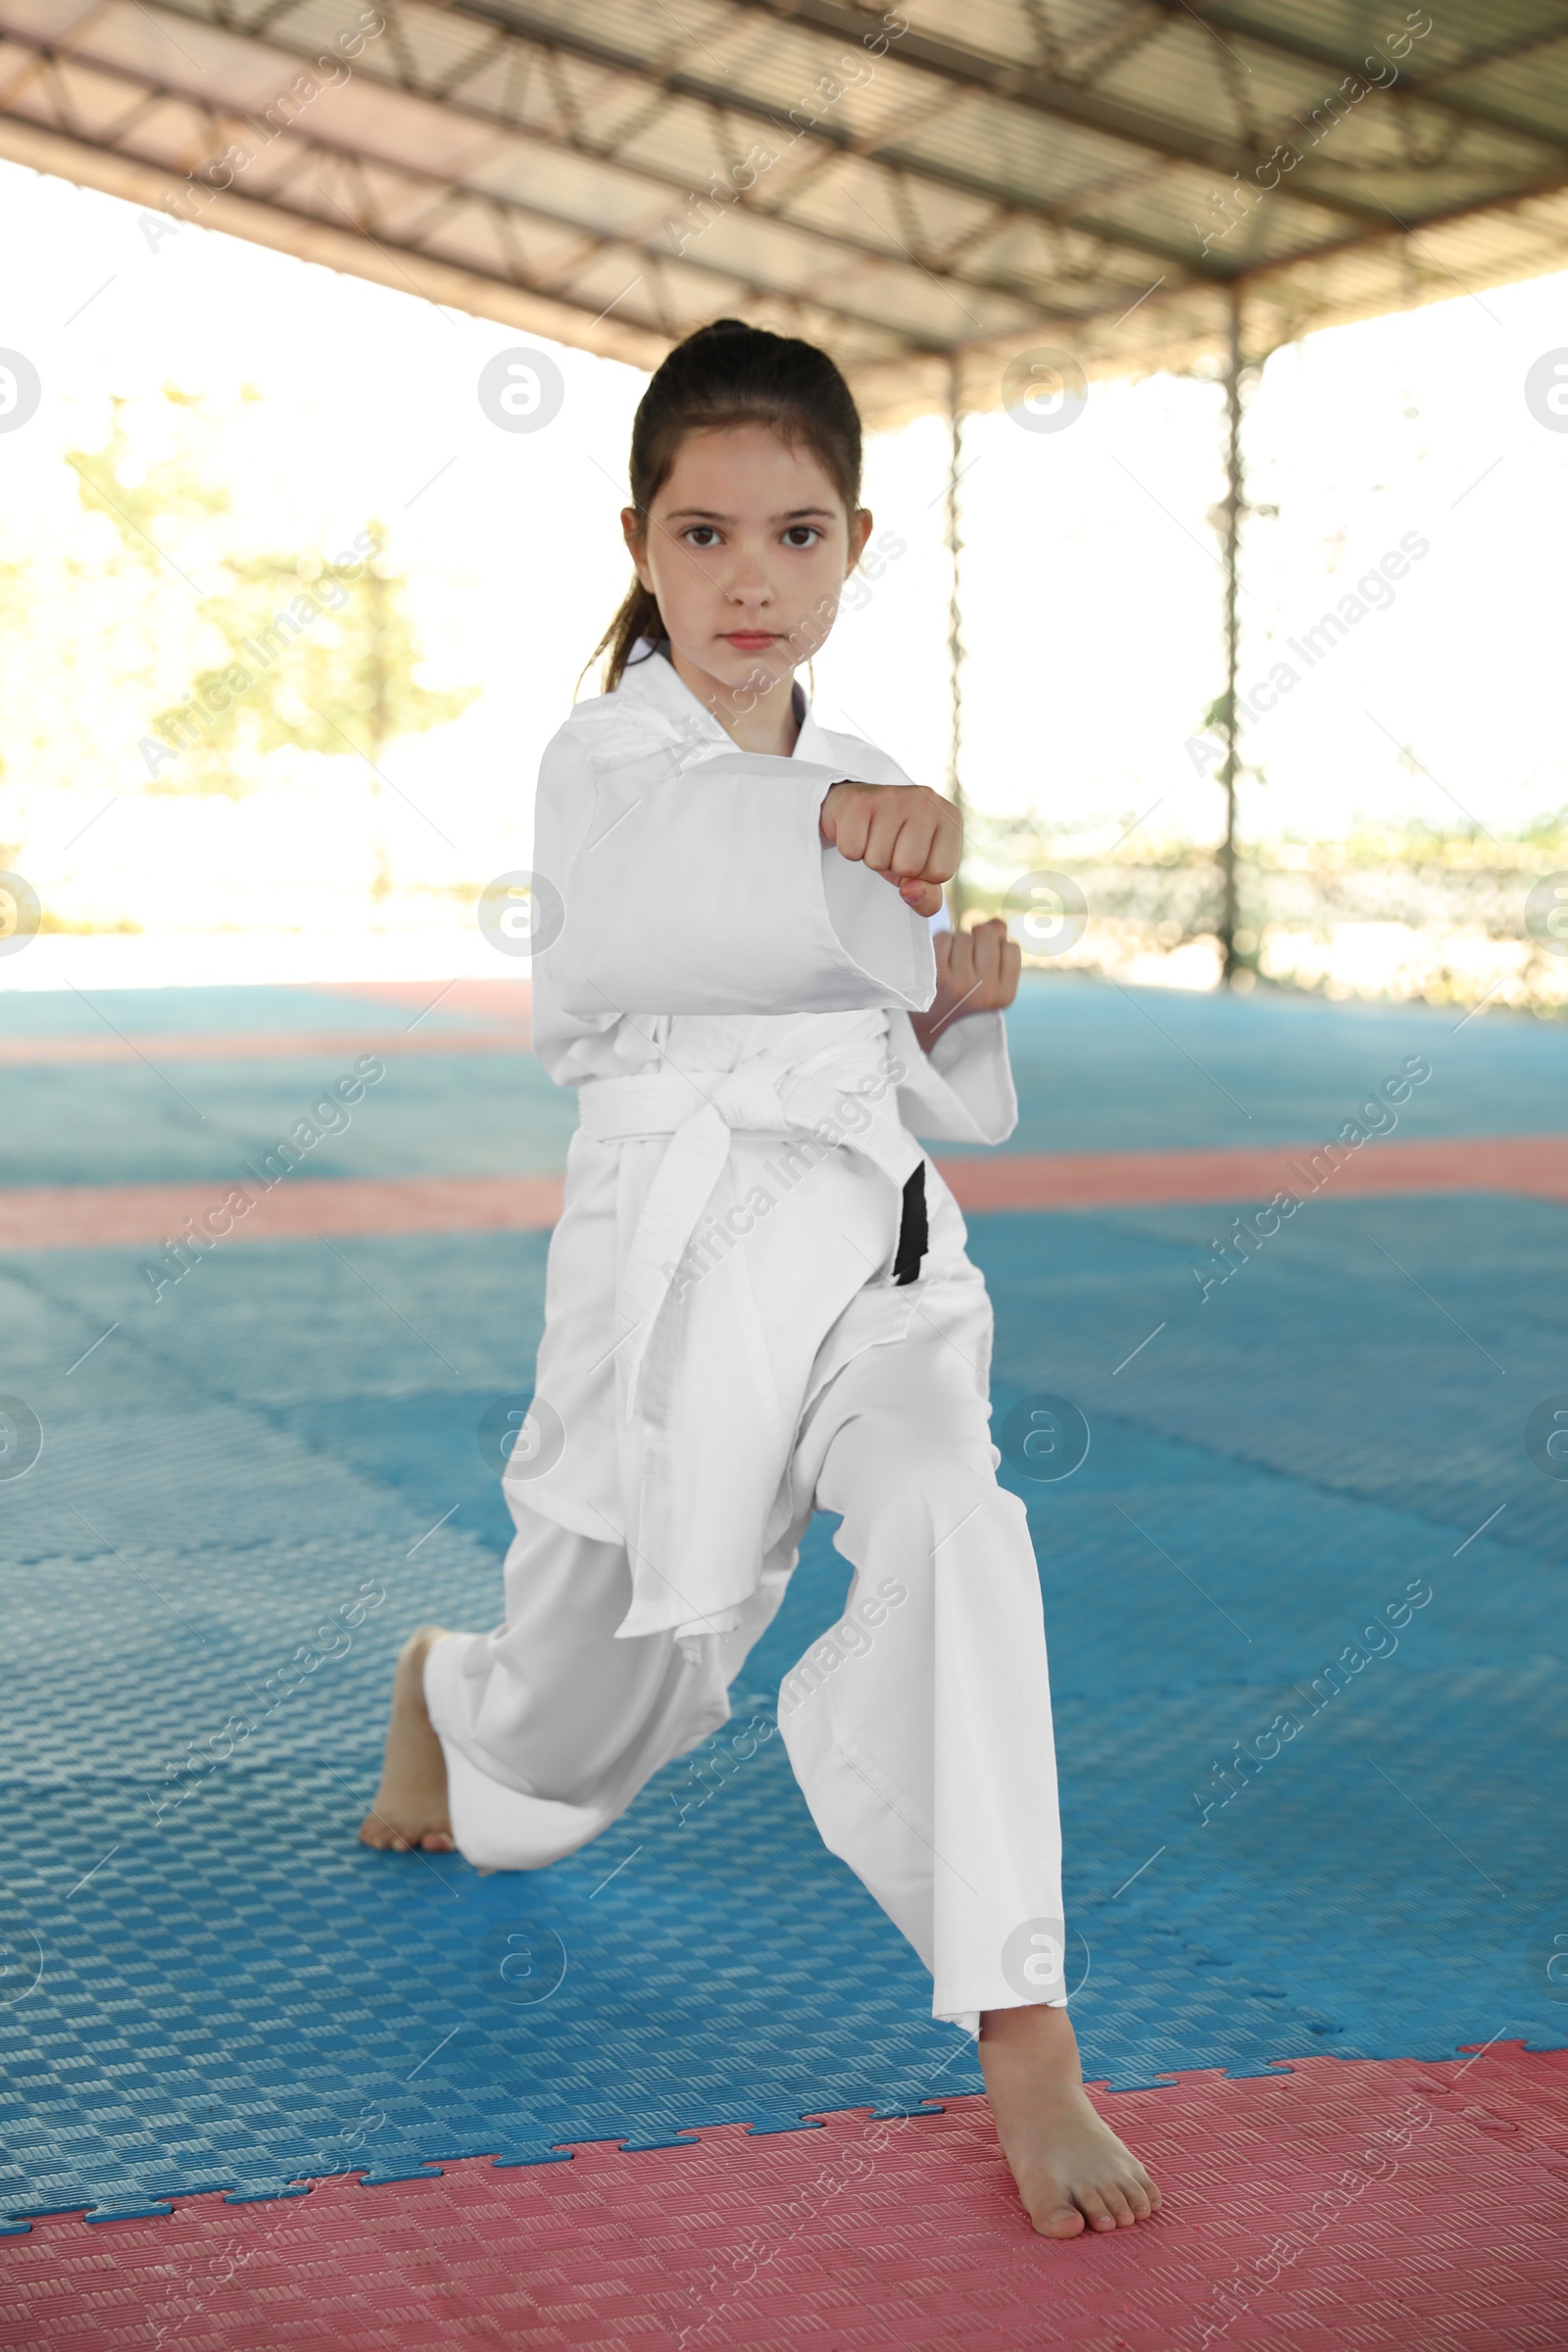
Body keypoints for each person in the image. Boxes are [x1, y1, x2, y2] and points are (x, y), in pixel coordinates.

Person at [361, 318, 1159, 2238]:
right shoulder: (601, 760)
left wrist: (949, 1011)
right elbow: (658, 904)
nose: (749, 579)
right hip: (669, 1292)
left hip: (875, 1266)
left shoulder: (869, 768)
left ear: (853, 545)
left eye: (794, 536)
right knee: (566, 1751)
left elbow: (889, 1072)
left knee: (962, 1521)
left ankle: (1024, 2032)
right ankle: (445, 1687)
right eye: (704, 534)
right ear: (637, 540)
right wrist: (818, 836)